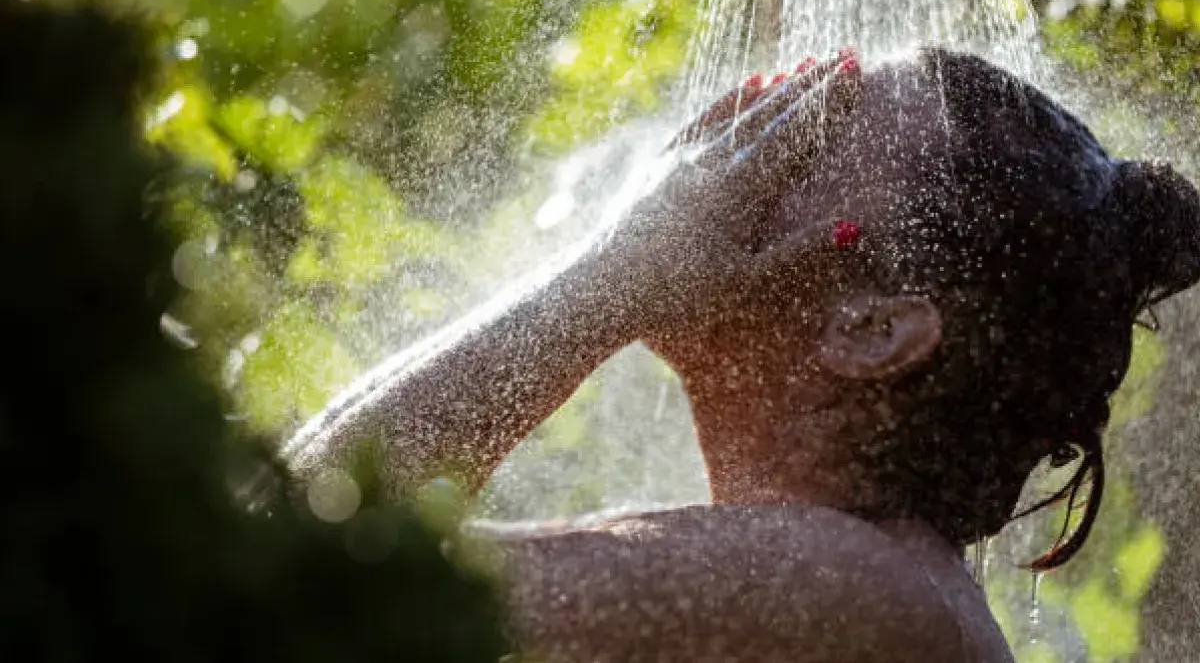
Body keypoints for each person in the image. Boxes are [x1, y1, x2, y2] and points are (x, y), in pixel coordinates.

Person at [286, 47, 1200, 662]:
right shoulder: (871, 583)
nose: (732, 146)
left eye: (809, 133)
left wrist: (609, 278)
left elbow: (286, 578)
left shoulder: (848, 586)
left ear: (871, 332)